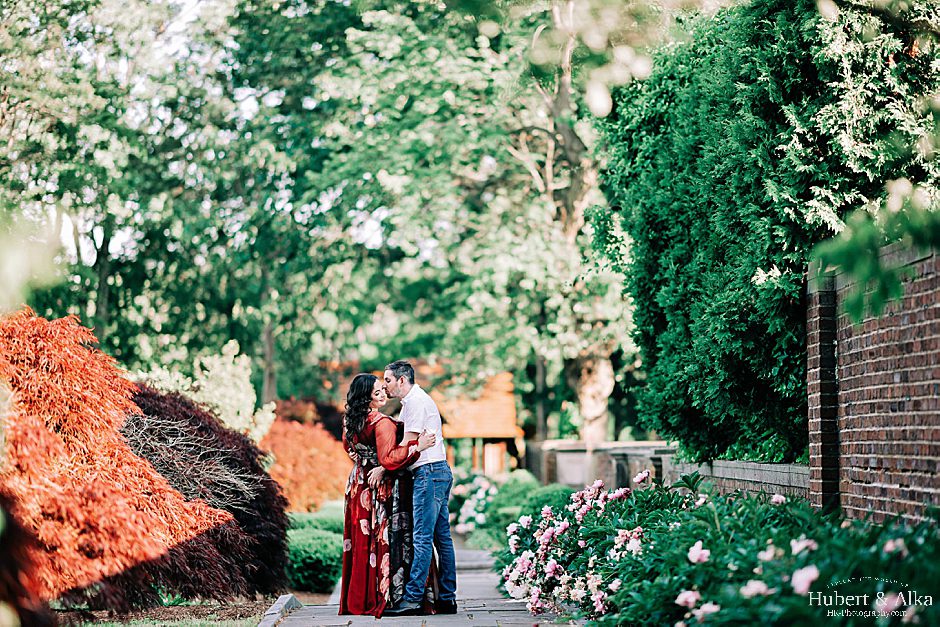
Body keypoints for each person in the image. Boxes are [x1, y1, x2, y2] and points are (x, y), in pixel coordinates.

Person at [338, 373, 438, 617]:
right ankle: (388, 595)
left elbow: (349, 449)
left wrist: (366, 462)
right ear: (366, 399)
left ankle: (360, 598)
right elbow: (389, 458)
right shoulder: (381, 422)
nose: (383, 393)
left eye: (382, 389)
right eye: (376, 392)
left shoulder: (350, 421)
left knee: (363, 541)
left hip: (358, 483)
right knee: (387, 539)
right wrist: (418, 447)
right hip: (380, 488)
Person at [382, 360, 458, 616]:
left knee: (423, 538)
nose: (385, 385)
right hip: (438, 471)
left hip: (428, 473)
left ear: (402, 380)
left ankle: (413, 599)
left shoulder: (415, 403)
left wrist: (385, 466)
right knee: (441, 538)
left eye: (388, 380)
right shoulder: (412, 403)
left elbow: (407, 446)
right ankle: (447, 599)